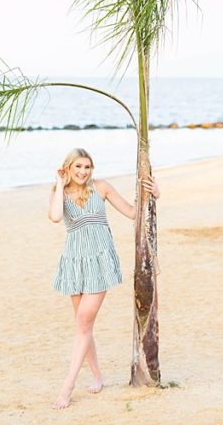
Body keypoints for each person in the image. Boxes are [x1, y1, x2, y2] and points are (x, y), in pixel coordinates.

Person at [48, 147, 160, 410]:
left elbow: (133, 213)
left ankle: (68, 386)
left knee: (84, 324)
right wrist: (58, 183)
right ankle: (97, 376)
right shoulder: (60, 193)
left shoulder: (101, 188)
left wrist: (154, 194)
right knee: (82, 326)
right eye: (78, 167)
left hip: (99, 261)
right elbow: (54, 217)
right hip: (75, 262)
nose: (83, 172)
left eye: (87, 167)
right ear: (68, 168)